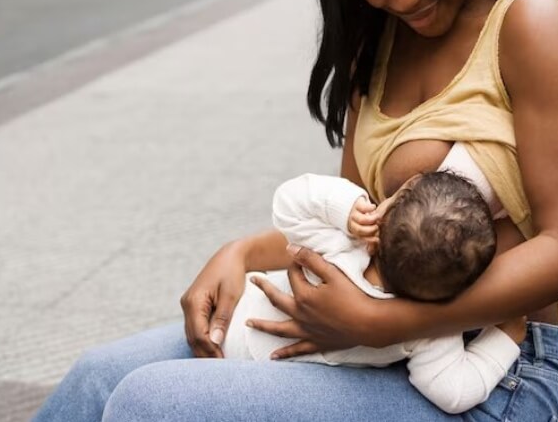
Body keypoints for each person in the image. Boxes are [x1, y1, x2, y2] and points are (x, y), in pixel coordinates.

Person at [32, 0, 558, 421]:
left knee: (152, 404)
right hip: (367, 338)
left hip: (492, 371)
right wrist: (243, 255)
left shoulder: (530, 20)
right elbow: (352, 226)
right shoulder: (379, 45)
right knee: (98, 380)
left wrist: (392, 319)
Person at [225, 170, 526, 414]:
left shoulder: (343, 244)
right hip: (261, 375)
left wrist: (348, 208)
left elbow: (287, 203)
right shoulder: (425, 332)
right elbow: (454, 393)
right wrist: (506, 337)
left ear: (380, 223)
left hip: (233, 316)